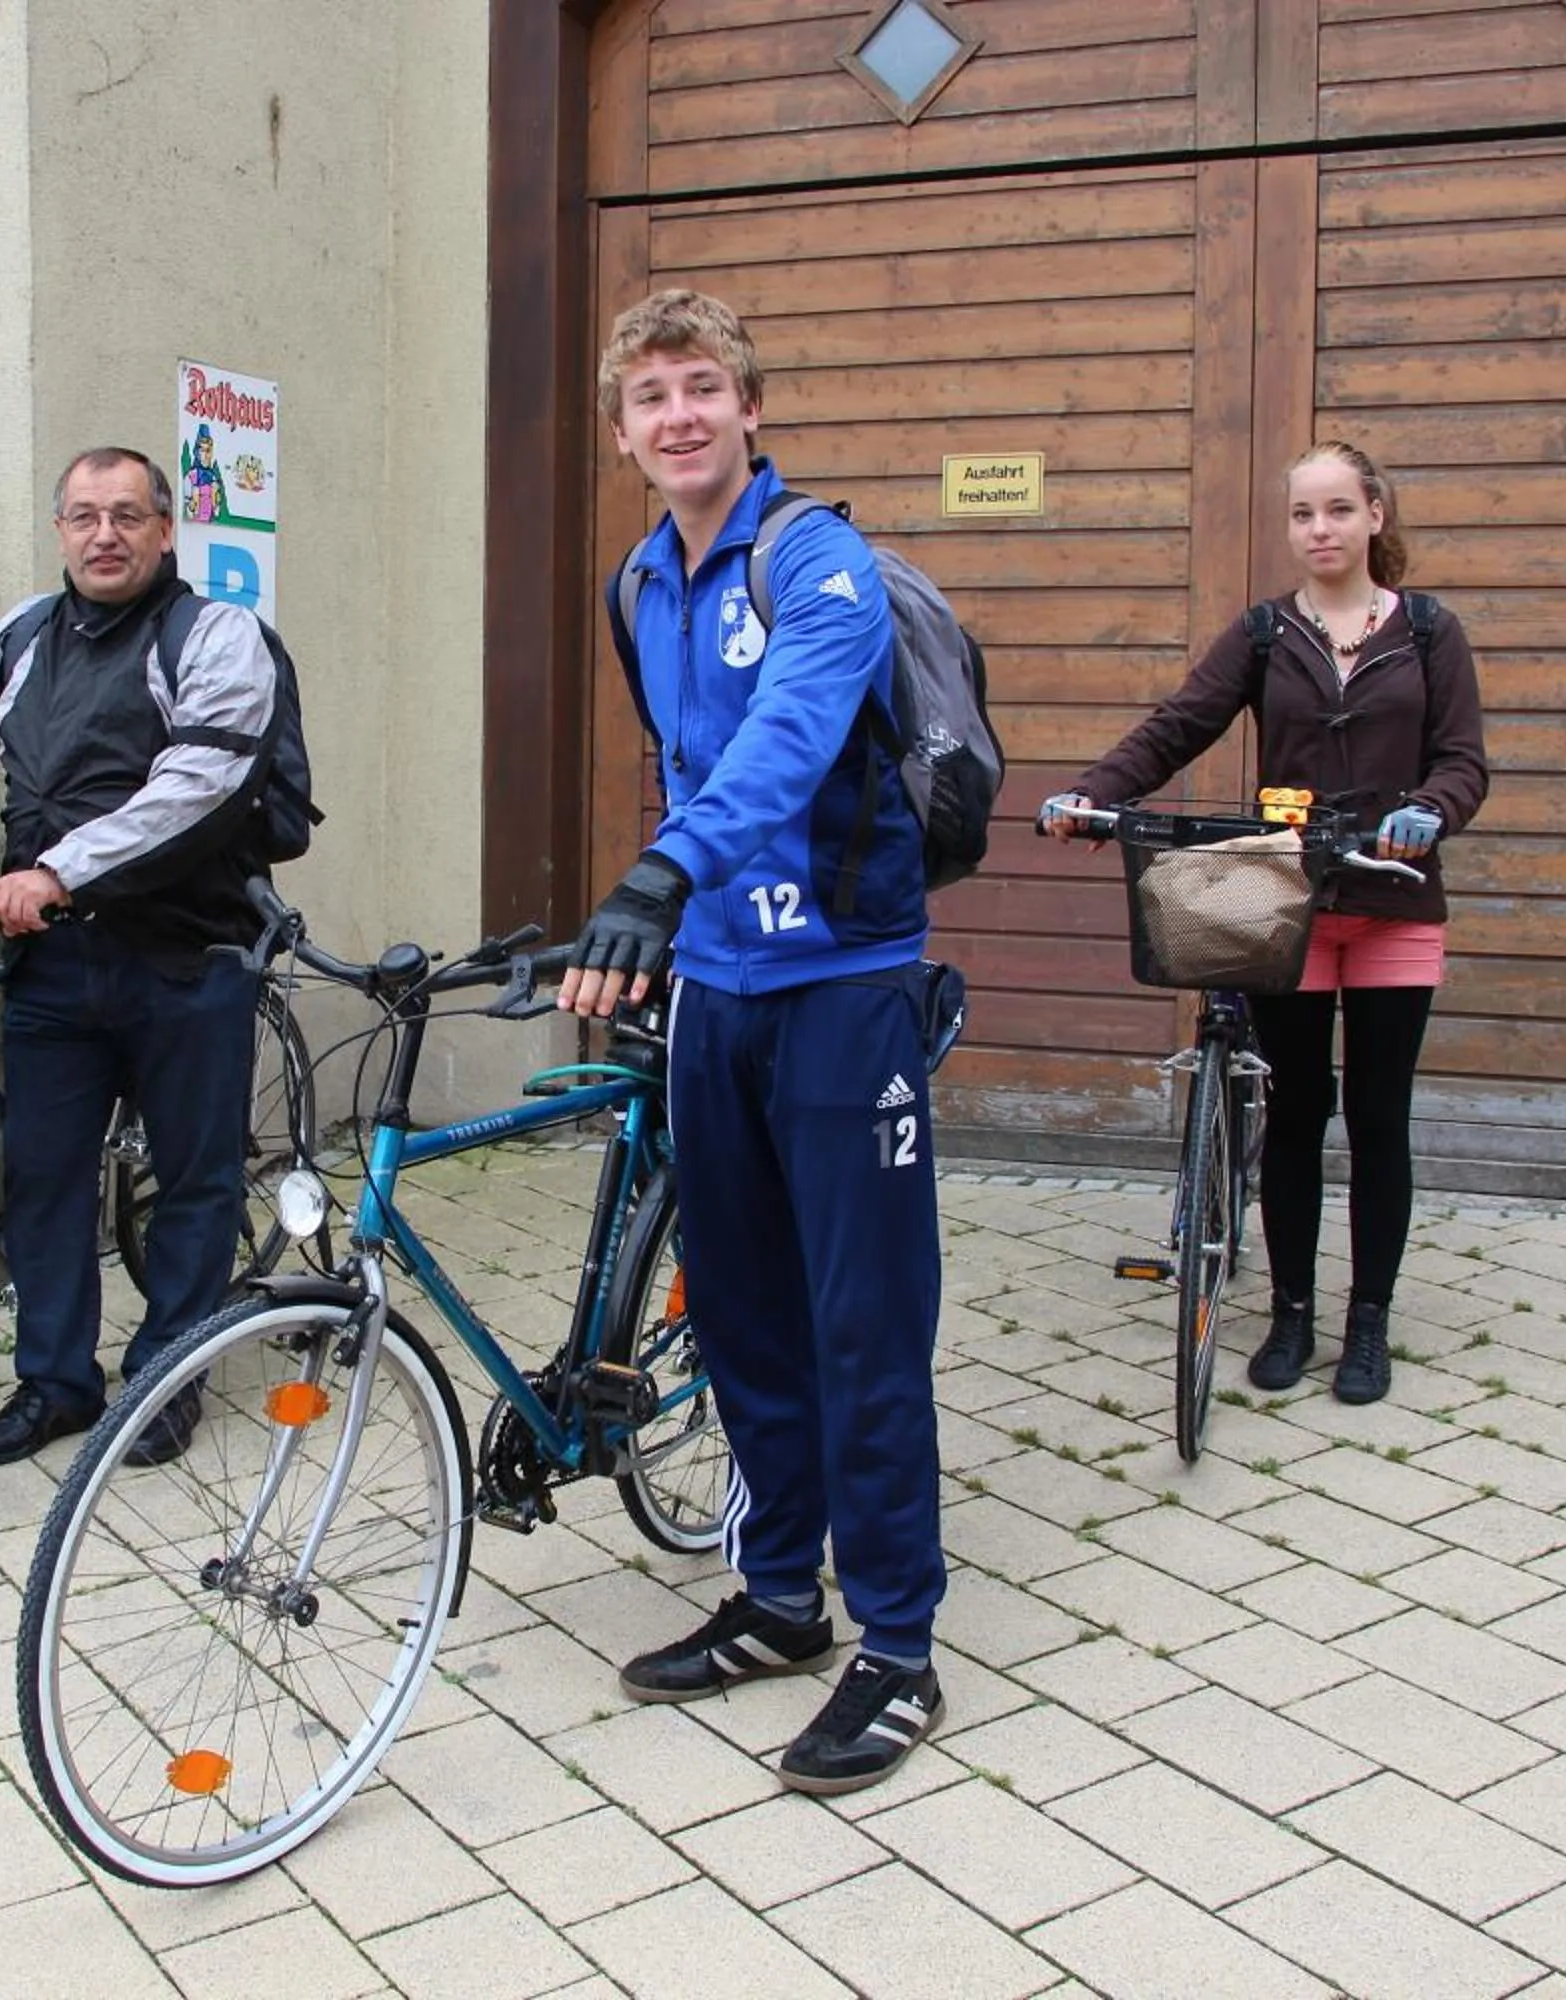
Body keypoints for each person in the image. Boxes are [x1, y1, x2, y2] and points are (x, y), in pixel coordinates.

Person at [564, 289, 948, 1796]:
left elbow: (790, 740)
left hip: (846, 988)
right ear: (622, 432)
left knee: (863, 1323)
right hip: (716, 993)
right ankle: (783, 1600)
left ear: (750, 407)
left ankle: (901, 1647)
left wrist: (662, 875)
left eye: (701, 386)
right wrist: (660, 933)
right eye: (648, 395)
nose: (677, 416)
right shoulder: (638, 585)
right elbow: (682, 765)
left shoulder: (819, 559)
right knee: (737, 1321)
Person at [0, 446, 277, 1466]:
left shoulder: (217, 636)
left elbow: (198, 783)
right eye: (84, 515)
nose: (105, 534)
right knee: (43, 1176)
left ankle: (168, 1375)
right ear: (60, 531)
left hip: (186, 956)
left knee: (193, 1178)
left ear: (166, 530)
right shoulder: (25, 635)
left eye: (128, 514)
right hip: (55, 966)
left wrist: (59, 870)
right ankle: (55, 1383)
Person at [1043, 441, 1489, 1407]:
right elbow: (1177, 726)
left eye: (1336, 510)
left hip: (1393, 903)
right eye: (1302, 515)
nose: (1318, 530)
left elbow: (1463, 760)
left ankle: (1367, 1324)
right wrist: (1092, 793)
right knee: (1294, 1117)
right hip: (1287, 902)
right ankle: (1291, 1315)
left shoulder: (1428, 632)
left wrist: (1433, 812)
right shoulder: (1262, 634)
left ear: (1375, 514)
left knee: (1379, 1121)